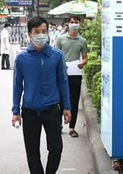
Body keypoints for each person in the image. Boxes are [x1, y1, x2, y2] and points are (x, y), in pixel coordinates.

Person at [12, 16, 72, 174]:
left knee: (56, 149)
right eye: (37, 31)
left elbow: (63, 82)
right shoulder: (22, 58)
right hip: (30, 111)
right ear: (29, 34)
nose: (41, 35)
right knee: (32, 152)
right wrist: (15, 111)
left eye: (44, 31)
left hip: (52, 109)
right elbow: (17, 85)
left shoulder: (56, 56)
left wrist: (67, 106)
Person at [56, 15, 88, 138]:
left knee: (74, 100)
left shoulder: (82, 41)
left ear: (79, 24)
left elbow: (85, 57)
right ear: (68, 24)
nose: (74, 24)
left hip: (76, 74)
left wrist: (83, 63)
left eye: (76, 22)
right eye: (72, 22)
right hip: (62, 74)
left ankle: (72, 128)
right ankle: (58, 125)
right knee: (60, 100)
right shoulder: (61, 39)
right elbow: (56, 55)